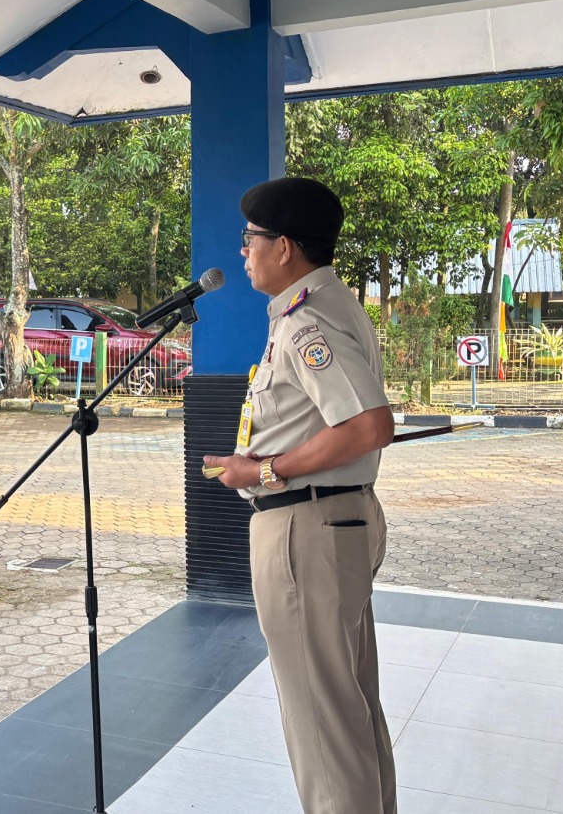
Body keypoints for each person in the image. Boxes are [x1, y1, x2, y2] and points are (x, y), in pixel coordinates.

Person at [201, 177, 397, 814]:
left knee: (321, 723)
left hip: (305, 531)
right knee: (346, 709)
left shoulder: (307, 320)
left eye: (250, 240)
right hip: (329, 520)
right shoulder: (321, 307)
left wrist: (264, 471)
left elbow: (368, 426)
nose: (243, 252)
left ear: (284, 246)